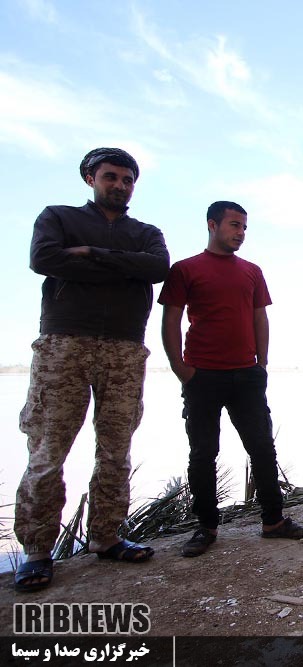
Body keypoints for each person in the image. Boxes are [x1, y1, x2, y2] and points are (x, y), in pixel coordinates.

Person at [14, 148, 168, 592]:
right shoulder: (58, 217)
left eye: (127, 179)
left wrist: (90, 254)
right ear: (90, 178)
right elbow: (45, 259)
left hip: (125, 348)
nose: (120, 185)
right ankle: (37, 551)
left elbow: (157, 267)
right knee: (48, 450)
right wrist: (122, 265)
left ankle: (106, 536)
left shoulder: (146, 232)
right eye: (110, 177)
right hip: (64, 344)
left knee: (116, 449)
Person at [159, 201, 303, 558]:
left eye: (244, 227)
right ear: (212, 225)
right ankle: (206, 526)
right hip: (202, 376)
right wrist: (180, 367)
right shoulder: (185, 269)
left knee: (262, 448)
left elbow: (260, 318)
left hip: (247, 376)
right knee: (203, 453)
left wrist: (262, 364)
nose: (240, 233)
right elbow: (171, 319)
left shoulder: (252, 271)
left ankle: (273, 521)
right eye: (234, 225)